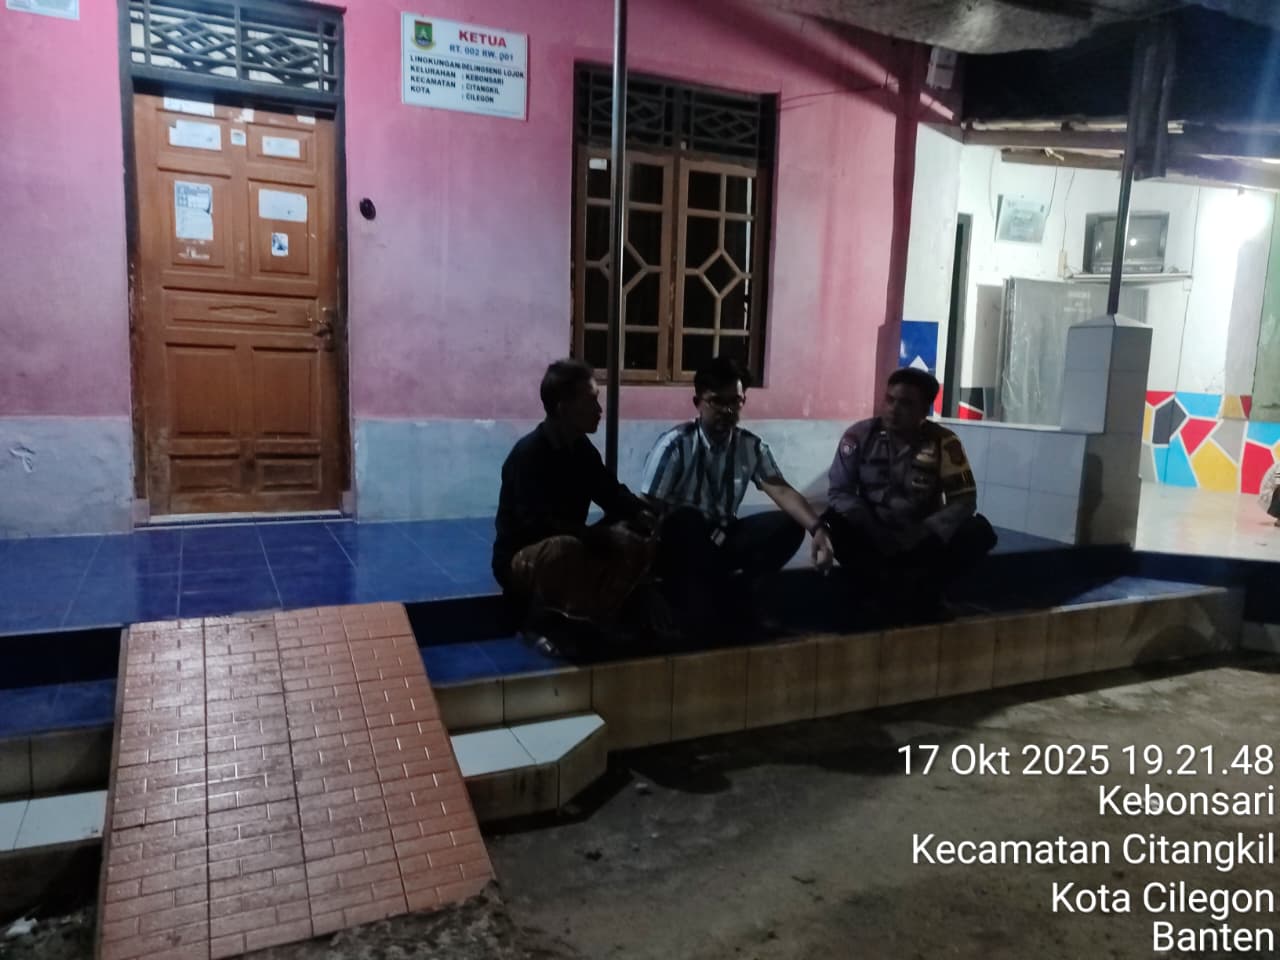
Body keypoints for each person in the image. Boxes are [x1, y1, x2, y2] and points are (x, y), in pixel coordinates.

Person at [642, 357, 834, 634]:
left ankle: (744, 592)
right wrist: (645, 583)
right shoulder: (674, 445)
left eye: (736, 401)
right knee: (686, 520)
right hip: (681, 547)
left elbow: (780, 489)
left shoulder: (750, 446)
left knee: (790, 525)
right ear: (698, 403)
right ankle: (706, 602)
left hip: (722, 537)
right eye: (717, 401)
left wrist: (818, 529)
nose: (728, 409)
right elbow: (647, 513)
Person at [492, 359, 658, 650]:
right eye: (591, 400)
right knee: (564, 548)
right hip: (523, 555)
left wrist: (643, 513)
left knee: (634, 534)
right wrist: (601, 535)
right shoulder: (529, 454)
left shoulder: (581, 449)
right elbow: (536, 525)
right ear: (563, 408)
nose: (599, 410)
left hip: (573, 541)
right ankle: (538, 623)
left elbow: (610, 492)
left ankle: (597, 616)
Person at [822, 366, 997, 621]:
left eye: (905, 403)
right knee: (832, 520)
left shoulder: (943, 442)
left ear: (924, 410)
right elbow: (840, 491)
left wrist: (923, 531)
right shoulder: (859, 436)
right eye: (890, 400)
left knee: (978, 531)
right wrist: (872, 528)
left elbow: (964, 500)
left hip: (921, 541)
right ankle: (882, 594)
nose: (893, 409)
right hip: (872, 536)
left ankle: (920, 593)